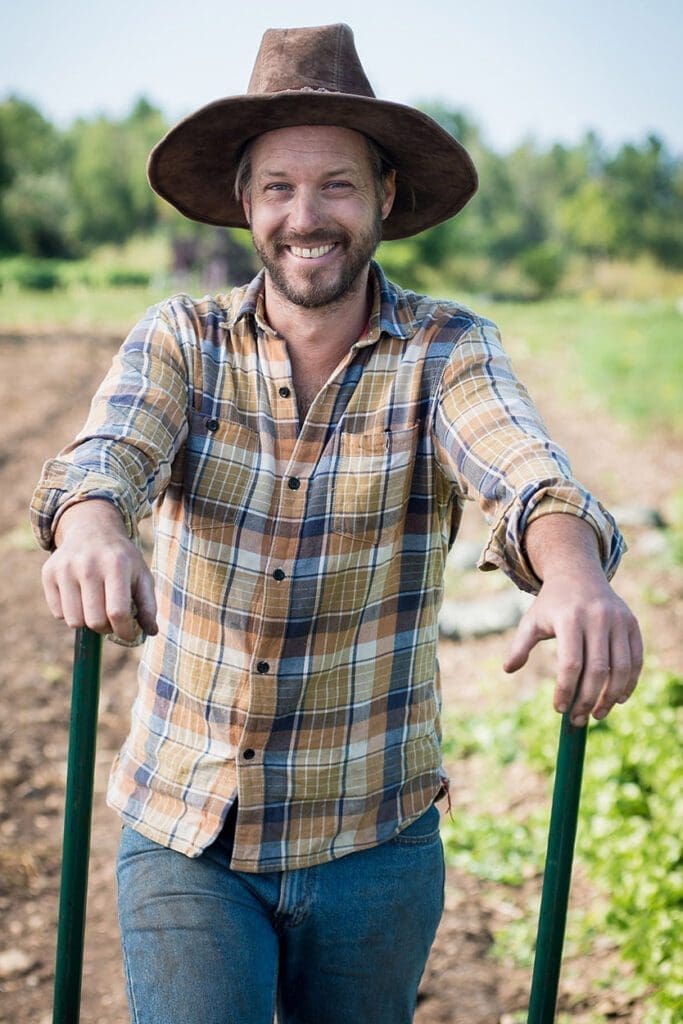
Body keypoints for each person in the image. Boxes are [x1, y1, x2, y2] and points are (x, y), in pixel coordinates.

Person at [31, 23, 642, 1024]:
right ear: (244, 203)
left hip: (373, 842)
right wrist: (93, 524)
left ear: (385, 198)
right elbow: (110, 454)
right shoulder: (181, 340)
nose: (304, 216)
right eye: (277, 186)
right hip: (189, 829)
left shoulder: (444, 350)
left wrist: (572, 574)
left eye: (336, 186)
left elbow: (523, 469)